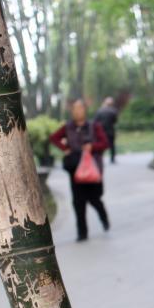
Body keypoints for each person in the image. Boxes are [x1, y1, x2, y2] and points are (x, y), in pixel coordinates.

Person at [49, 99, 111, 242]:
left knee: (95, 199)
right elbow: (54, 138)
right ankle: (82, 233)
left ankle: (104, 218)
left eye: (80, 108)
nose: (77, 111)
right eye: (74, 109)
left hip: (93, 168)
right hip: (75, 170)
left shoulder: (94, 126)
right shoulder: (68, 127)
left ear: (84, 110)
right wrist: (66, 148)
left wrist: (92, 147)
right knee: (78, 202)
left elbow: (105, 143)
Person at [94, 97, 119, 164]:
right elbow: (115, 121)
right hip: (110, 130)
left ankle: (100, 158)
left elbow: (95, 121)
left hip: (101, 131)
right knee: (112, 145)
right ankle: (112, 159)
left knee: (101, 144)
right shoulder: (114, 111)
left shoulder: (99, 111)